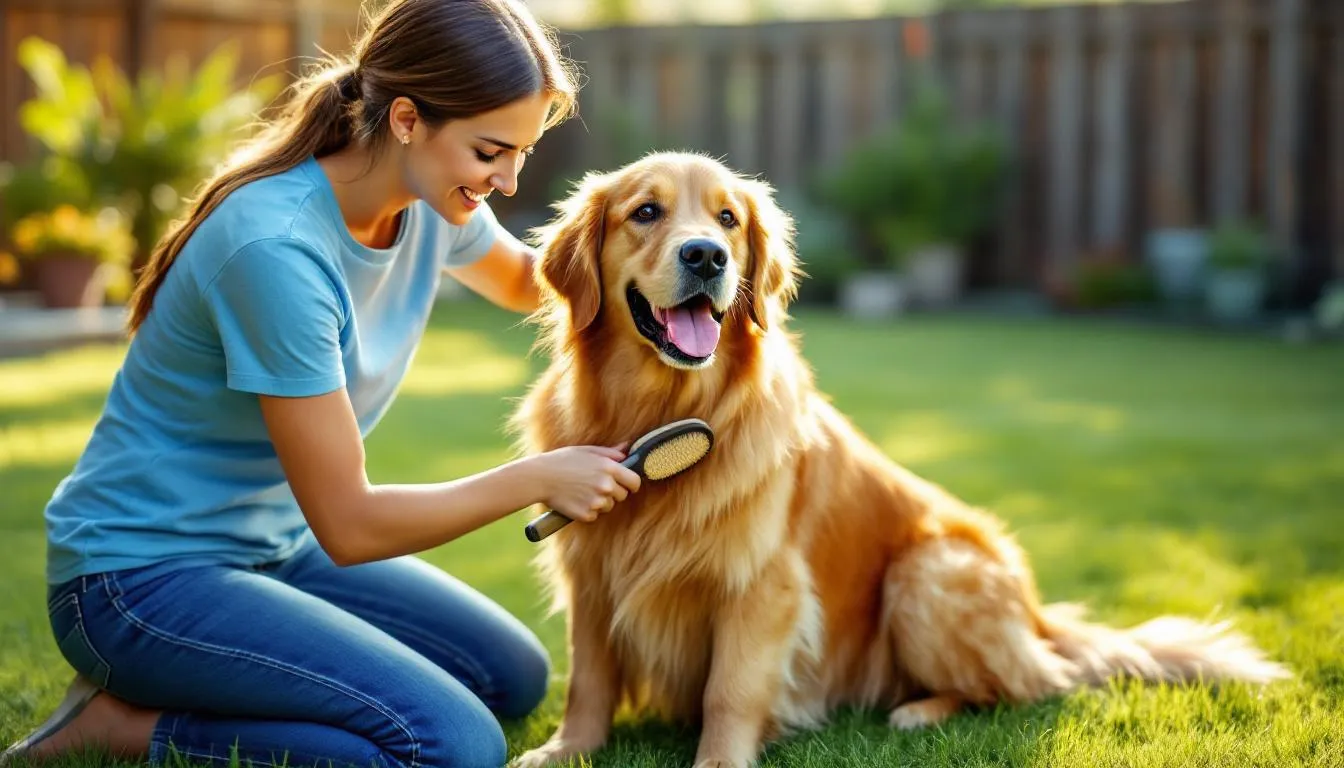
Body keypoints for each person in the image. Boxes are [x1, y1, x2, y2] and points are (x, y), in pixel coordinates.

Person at [2, 1, 643, 767]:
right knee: (451, 746)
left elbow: (530, 283)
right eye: (490, 152)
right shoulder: (277, 248)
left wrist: (663, 257)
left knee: (511, 674)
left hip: (276, 545)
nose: (507, 181)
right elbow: (351, 524)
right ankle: (124, 728)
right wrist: (538, 477)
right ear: (406, 120)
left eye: (522, 154)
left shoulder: (431, 200)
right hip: (138, 577)